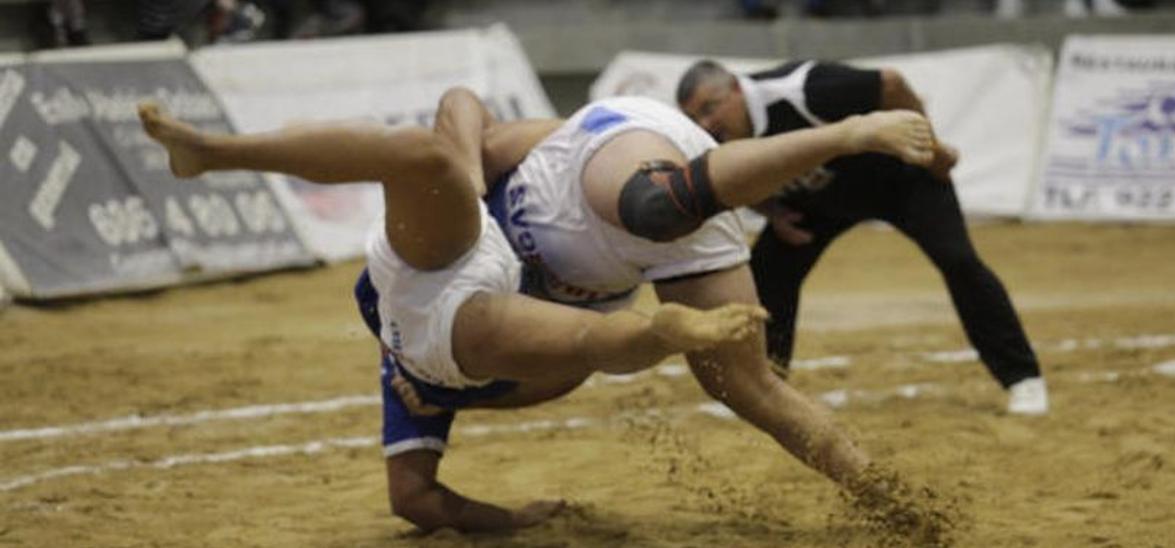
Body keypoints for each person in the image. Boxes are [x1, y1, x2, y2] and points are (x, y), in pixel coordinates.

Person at [136, 90, 769, 533]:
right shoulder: (555, 154)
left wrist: (465, 169)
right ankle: (659, 333)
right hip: (448, 319)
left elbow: (416, 500)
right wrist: (508, 511)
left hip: (437, 283)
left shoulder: (530, 153)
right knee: (587, 344)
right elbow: (414, 498)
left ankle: (215, 151)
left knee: (420, 155)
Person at [480, 93, 954, 543]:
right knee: (746, 386)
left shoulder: (443, 247)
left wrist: (471, 174)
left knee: (655, 207)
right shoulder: (476, 356)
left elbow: (467, 121)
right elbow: (562, 369)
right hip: (644, 248)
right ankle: (893, 500)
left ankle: (848, 134)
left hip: (598, 165)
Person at [675, 59, 1050, 415]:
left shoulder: (802, 89)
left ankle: (1023, 378)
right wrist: (773, 212)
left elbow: (891, 83)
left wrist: (931, 149)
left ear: (737, 89)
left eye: (710, 108)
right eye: (695, 117)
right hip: (818, 203)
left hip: (901, 181)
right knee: (766, 278)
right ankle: (761, 388)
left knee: (958, 261)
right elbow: (730, 180)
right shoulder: (711, 138)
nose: (706, 123)